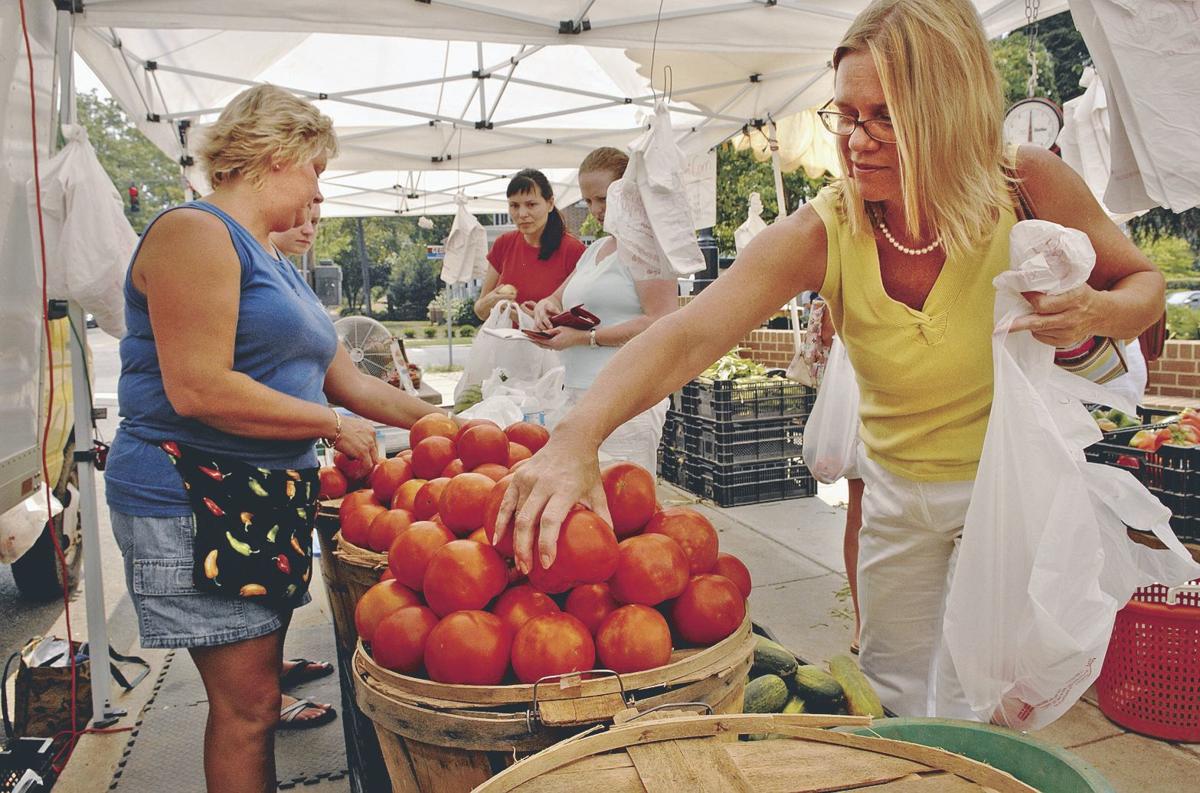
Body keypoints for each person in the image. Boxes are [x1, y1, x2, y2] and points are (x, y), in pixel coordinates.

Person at [496, 0, 1165, 719]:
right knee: (894, 697)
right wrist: (578, 434)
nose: (857, 139)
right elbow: (689, 334)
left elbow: (1145, 285)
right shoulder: (828, 227)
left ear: (948, 110)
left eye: (885, 117)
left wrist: (1099, 311)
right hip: (896, 499)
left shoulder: (1025, 183)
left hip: (1006, 489)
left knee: (1000, 700)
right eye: (845, 114)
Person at [105, 84, 449, 793]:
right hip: (195, 494)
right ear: (277, 152)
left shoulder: (276, 264)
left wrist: (449, 426)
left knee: (254, 698)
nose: (319, 188)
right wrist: (332, 426)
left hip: (257, 492)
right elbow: (197, 387)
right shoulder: (193, 232)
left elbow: (349, 382)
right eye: (317, 168)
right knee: (249, 707)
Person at [526, 147, 679, 470]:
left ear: (628, 191)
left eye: (603, 199)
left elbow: (661, 320)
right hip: (578, 394)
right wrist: (545, 308)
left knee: (622, 501)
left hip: (626, 400)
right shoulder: (597, 248)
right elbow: (557, 297)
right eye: (588, 201)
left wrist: (584, 338)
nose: (595, 209)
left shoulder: (649, 247)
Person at [473, 168, 585, 321]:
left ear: (550, 203)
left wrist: (524, 318)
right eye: (514, 206)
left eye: (531, 204)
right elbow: (481, 312)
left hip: (550, 344)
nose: (522, 214)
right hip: (506, 343)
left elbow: (582, 315)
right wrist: (492, 300)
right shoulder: (503, 244)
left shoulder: (573, 250)